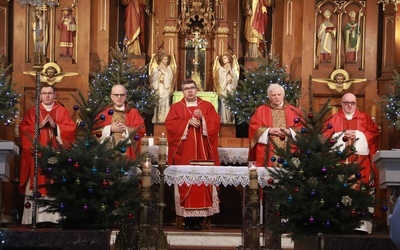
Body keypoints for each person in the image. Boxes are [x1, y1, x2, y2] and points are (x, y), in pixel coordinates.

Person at [164, 79, 220, 230]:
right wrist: (187, 122)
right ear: (182, 92)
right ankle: (187, 221)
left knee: (202, 185)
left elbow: (216, 122)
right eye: (186, 89)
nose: (189, 91)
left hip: (204, 155)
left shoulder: (206, 106)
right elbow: (169, 125)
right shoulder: (176, 107)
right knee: (186, 184)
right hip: (184, 155)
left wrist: (204, 119)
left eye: (192, 88)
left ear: (197, 90)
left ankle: (199, 221)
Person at [19, 84, 76, 225]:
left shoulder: (61, 111)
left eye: (50, 93)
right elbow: (24, 128)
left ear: (55, 95)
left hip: (56, 154)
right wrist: (38, 126)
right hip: (37, 155)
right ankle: (35, 219)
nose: (47, 96)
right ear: (40, 96)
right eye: (44, 93)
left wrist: (56, 126)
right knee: (37, 179)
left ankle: (55, 218)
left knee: (55, 180)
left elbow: (71, 128)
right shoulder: (33, 112)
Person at [326, 93, 380, 233]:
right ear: (341, 104)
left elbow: (374, 133)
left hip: (361, 162)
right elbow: (324, 136)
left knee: (361, 188)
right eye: (346, 102)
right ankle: (338, 224)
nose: (349, 105)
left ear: (356, 104)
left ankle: (361, 226)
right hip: (339, 161)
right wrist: (341, 136)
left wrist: (359, 135)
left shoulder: (364, 118)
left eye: (352, 103)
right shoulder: (333, 118)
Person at [248, 83, 301, 167]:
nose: (276, 97)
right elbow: (253, 126)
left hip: (289, 148)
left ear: (283, 95)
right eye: (273, 95)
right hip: (268, 150)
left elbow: (301, 128)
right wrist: (269, 130)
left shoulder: (294, 111)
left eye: (279, 94)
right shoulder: (261, 110)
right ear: (269, 97)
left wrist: (290, 131)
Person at [96, 84, 146, 159]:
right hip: (108, 154)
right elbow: (95, 131)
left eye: (122, 95)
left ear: (126, 96)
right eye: (116, 95)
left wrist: (125, 129)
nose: (119, 97)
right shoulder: (103, 113)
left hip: (127, 153)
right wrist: (110, 129)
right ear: (112, 97)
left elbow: (141, 130)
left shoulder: (133, 112)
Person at [213, 53, 239, 124]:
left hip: (231, 89)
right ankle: (224, 119)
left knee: (231, 104)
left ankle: (231, 119)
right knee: (224, 104)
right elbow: (219, 79)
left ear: (229, 59)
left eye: (225, 58)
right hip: (224, 89)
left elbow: (235, 79)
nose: (223, 60)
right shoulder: (220, 69)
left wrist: (230, 72)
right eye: (223, 58)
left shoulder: (233, 69)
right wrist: (226, 81)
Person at [149, 53, 175, 123]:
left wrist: (164, 73)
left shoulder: (168, 68)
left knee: (165, 102)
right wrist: (158, 74)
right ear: (161, 59)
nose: (166, 61)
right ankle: (157, 117)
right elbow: (153, 78)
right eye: (165, 59)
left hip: (165, 87)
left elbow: (170, 77)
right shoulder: (156, 68)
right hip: (159, 87)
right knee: (159, 102)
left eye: (167, 59)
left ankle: (165, 117)